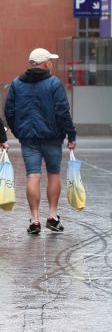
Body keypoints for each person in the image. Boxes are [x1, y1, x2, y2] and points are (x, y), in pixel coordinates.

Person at [3, 48, 77, 234]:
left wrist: (19, 131)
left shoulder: (17, 84)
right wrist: (71, 134)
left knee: (32, 175)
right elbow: (63, 112)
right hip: (52, 137)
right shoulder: (54, 84)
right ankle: (52, 216)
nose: (51, 63)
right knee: (53, 174)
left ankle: (34, 220)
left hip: (28, 139)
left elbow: (9, 112)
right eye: (50, 61)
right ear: (46, 64)